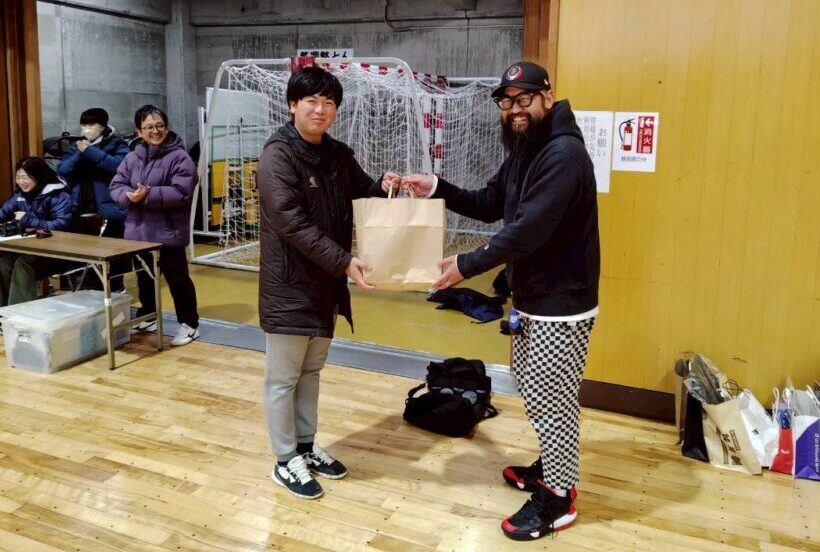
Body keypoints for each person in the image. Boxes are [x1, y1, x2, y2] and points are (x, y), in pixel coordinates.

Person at [402, 61, 600, 541]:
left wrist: (466, 265)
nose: (514, 110)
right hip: (534, 297)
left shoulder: (563, 155)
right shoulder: (528, 149)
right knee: (536, 390)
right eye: (506, 102)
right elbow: (491, 202)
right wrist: (438, 188)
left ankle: (559, 498)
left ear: (547, 98)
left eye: (523, 99)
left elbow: (527, 230)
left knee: (551, 400)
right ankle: (553, 468)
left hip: (562, 303)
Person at [257, 66, 397, 500]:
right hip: (290, 286)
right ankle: (284, 460)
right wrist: (344, 261)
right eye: (311, 101)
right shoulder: (278, 156)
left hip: (325, 285)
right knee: (283, 378)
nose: (320, 110)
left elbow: (363, 191)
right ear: (292, 105)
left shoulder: (337, 154)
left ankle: (304, 446)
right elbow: (292, 223)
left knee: (311, 371)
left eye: (329, 102)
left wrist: (384, 186)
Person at [109, 105, 200, 347]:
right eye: (149, 127)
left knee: (178, 280)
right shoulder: (131, 158)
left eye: (159, 125)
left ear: (166, 128)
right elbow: (116, 185)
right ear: (139, 132)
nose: (155, 131)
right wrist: (128, 196)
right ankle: (149, 315)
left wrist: (146, 194)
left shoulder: (180, 157)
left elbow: (182, 192)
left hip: (168, 232)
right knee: (145, 278)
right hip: (139, 232)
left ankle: (190, 324)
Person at [57, 107, 130, 291]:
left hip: (109, 207)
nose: (87, 128)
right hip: (82, 206)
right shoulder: (77, 145)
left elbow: (119, 167)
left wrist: (90, 152)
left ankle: (115, 288)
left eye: (91, 124)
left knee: (112, 251)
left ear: (103, 126)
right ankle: (89, 292)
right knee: (84, 252)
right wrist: (80, 152)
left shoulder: (117, 143)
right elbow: (62, 170)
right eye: (84, 124)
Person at [0, 157, 75, 305]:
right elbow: (3, 212)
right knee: (3, 262)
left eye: (25, 177)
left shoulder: (59, 195)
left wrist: (28, 220)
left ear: (38, 176)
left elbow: (62, 225)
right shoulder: (21, 196)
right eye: (18, 177)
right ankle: (3, 311)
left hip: (60, 252)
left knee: (23, 264)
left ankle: (20, 314)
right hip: (34, 248)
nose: (21, 182)